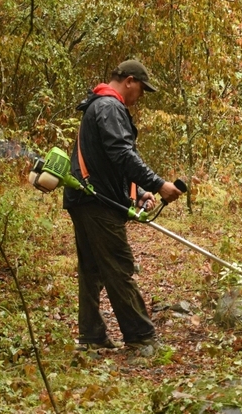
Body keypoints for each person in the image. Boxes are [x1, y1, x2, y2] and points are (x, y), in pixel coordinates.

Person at [63, 59, 182, 351]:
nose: (139, 96)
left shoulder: (97, 105)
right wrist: (158, 184)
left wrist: (139, 190)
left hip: (85, 199)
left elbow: (107, 159)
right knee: (119, 267)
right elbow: (122, 154)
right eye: (141, 89)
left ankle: (92, 338)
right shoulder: (110, 107)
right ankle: (141, 338)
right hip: (96, 203)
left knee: (92, 269)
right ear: (129, 80)